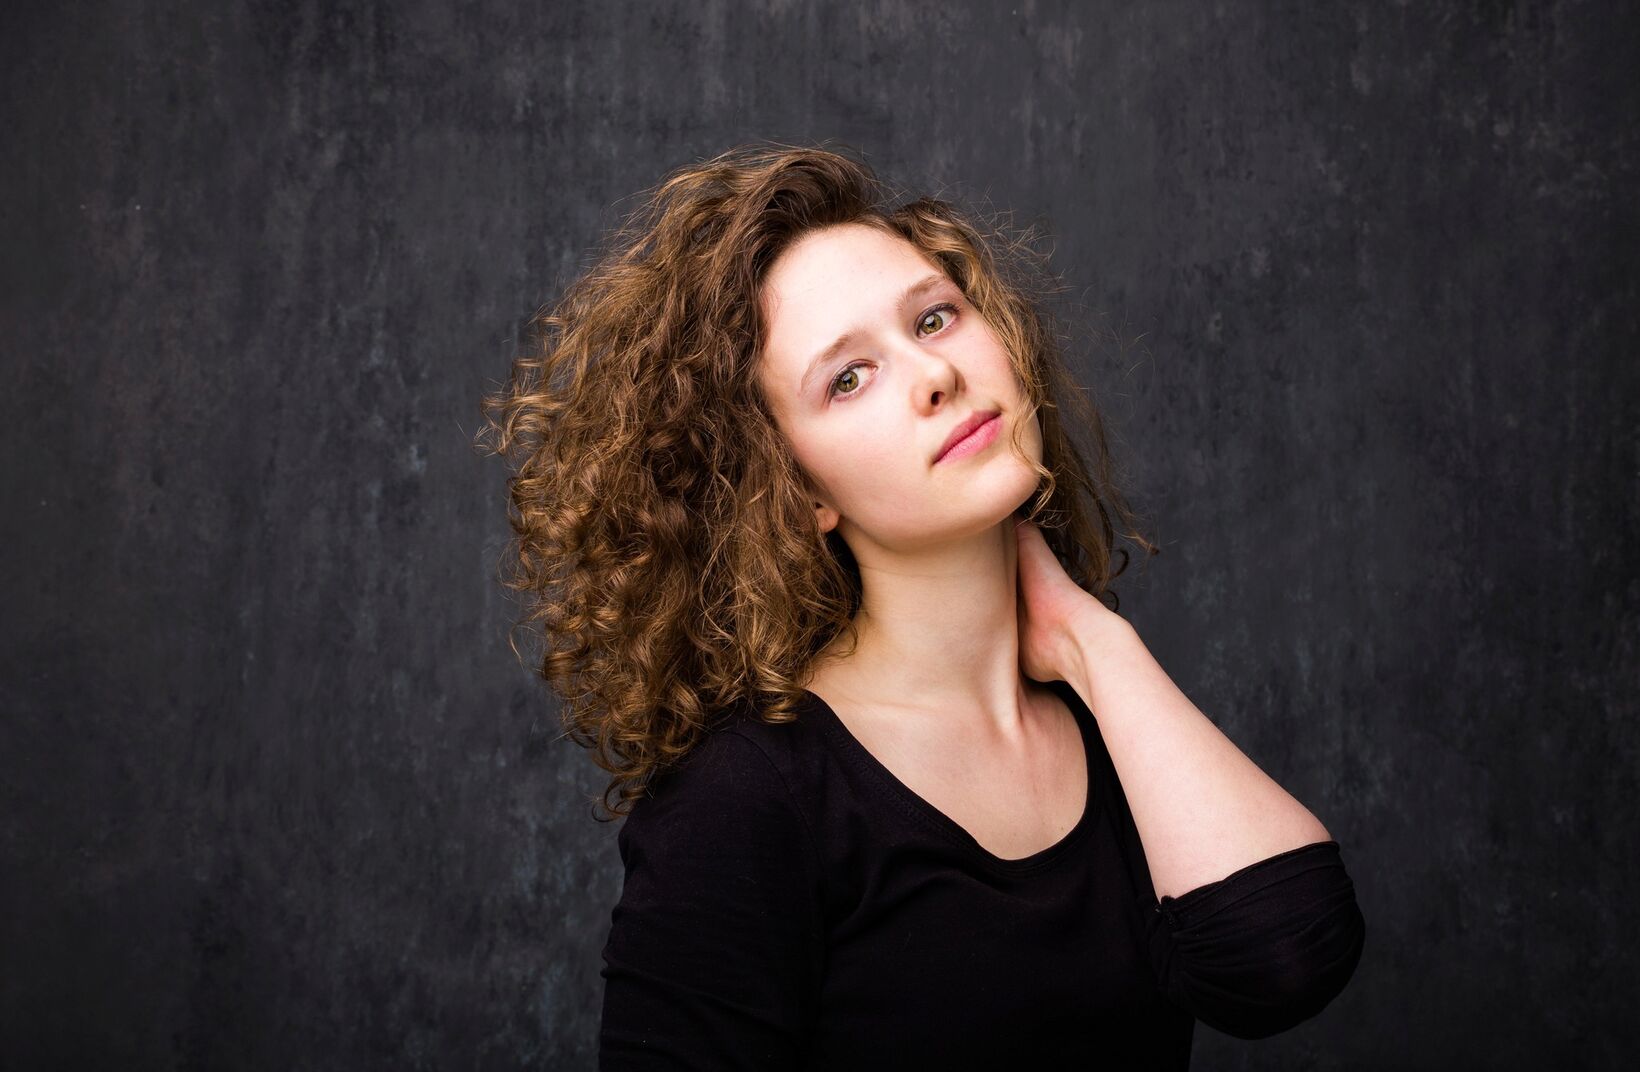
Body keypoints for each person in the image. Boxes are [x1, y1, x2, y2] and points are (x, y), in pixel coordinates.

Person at [480, 141, 1366, 1069]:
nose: (933, 374)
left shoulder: (1116, 726)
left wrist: (1094, 643)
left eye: (935, 318)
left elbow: (1285, 965)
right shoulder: (747, 801)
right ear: (797, 493)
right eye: (848, 377)